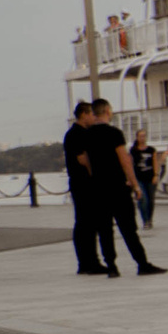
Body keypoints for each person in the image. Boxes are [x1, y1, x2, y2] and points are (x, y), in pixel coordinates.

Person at [77, 100, 165, 277]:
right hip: (117, 186)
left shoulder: (87, 135)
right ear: (108, 111)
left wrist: (95, 175)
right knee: (128, 227)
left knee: (104, 229)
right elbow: (125, 160)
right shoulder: (114, 133)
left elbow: (84, 160)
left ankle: (111, 266)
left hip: (98, 188)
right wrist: (134, 184)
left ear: (94, 113)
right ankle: (142, 263)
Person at [64, 101, 105, 276]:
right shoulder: (76, 134)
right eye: (90, 114)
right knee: (86, 222)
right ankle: (89, 262)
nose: (92, 117)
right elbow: (83, 159)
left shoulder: (79, 133)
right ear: (83, 114)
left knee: (86, 222)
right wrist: (95, 177)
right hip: (83, 183)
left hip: (82, 182)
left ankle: (87, 261)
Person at [131, 127, 159, 230]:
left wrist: (156, 175)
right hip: (139, 178)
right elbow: (130, 163)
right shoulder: (133, 150)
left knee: (151, 200)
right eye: (140, 136)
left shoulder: (151, 150)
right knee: (143, 199)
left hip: (150, 178)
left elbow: (155, 162)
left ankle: (150, 218)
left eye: (144, 136)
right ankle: (145, 220)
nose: (142, 138)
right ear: (137, 137)